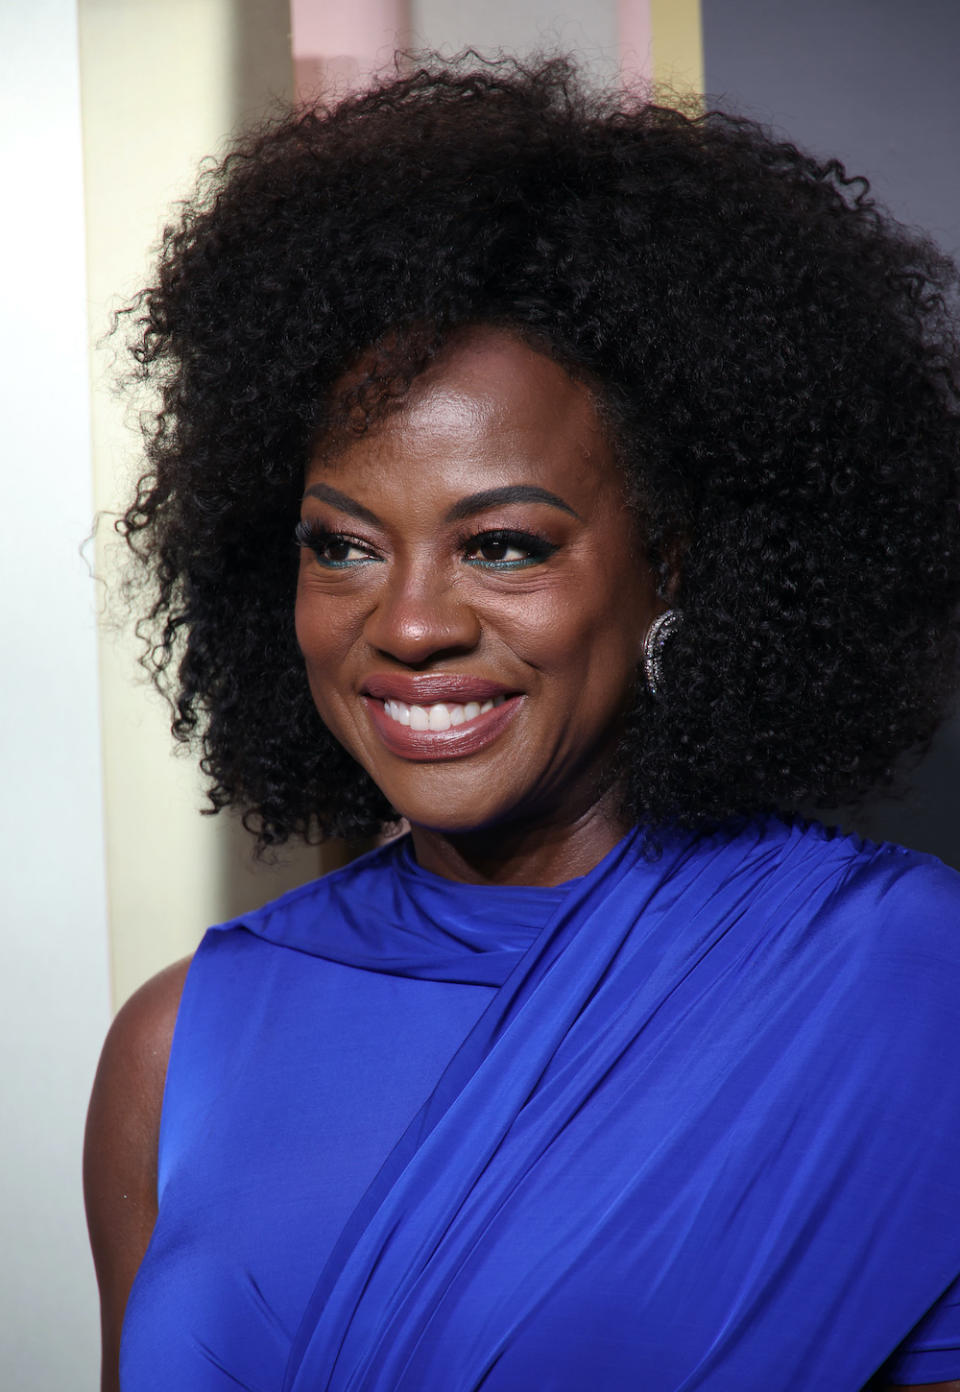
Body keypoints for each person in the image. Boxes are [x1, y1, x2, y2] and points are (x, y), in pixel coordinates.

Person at [83, 54, 960, 1392]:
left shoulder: (895, 979)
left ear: (676, 563)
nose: (411, 623)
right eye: (343, 547)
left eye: (500, 546)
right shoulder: (177, 1043)